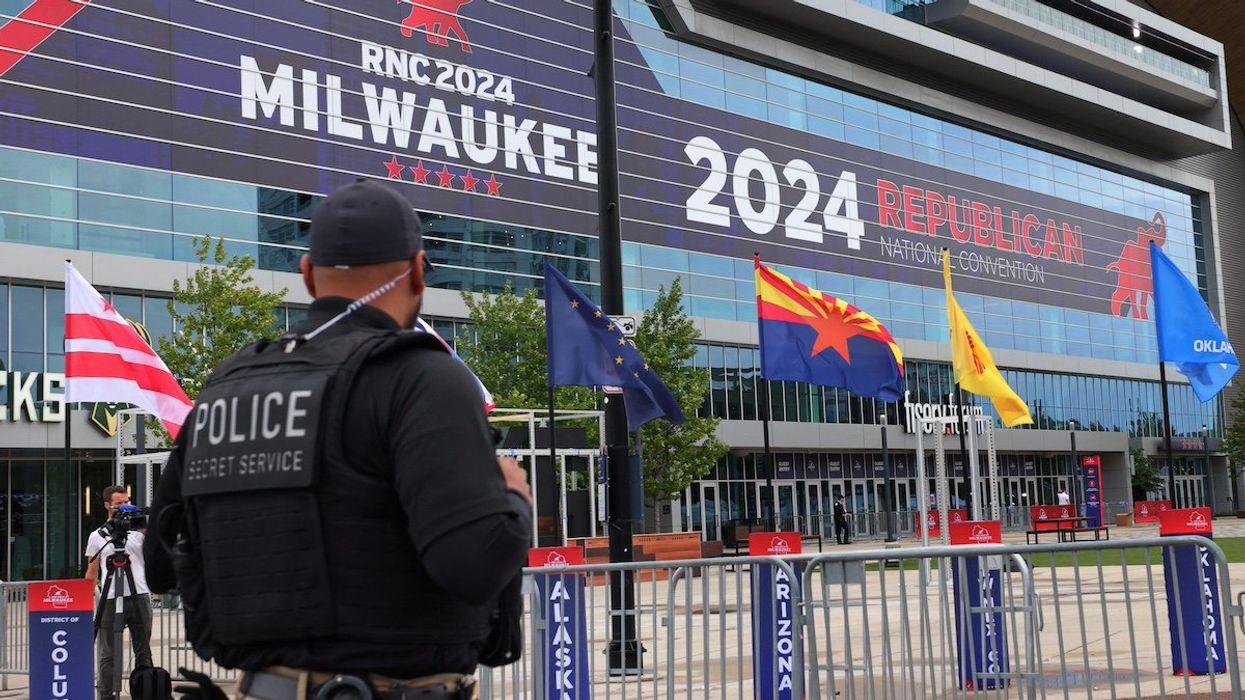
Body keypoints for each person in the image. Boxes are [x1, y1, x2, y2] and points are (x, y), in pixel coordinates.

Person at [143, 178, 532, 700]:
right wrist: (513, 497)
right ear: (418, 271)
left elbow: (161, 564)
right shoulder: (421, 378)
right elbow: (473, 564)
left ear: (306, 275)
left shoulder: (224, 388)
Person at [86, 485, 153, 700]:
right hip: (111, 597)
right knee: (108, 654)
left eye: (127, 502)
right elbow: (92, 570)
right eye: (119, 504)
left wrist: (145, 529)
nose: (125, 507)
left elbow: (154, 555)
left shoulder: (139, 533)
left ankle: (145, 693)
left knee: (143, 651)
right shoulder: (97, 536)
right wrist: (86, 599)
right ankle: (106, 696)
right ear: (107, 505)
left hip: (139, 594)